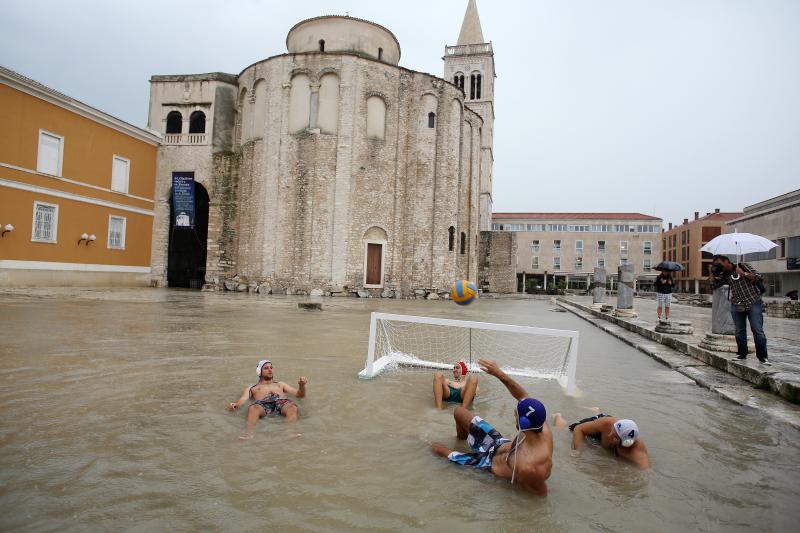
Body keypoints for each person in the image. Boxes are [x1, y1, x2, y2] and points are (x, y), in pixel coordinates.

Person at [430, 359, 553, 496]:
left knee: (437, 448)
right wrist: (499, 374)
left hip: (487, 464)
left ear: (524, 424)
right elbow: (522, 395)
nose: (514, 413)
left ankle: (421, 441)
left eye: (516, 414)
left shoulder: (529, 467)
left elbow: (540, 496)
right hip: (498, 444)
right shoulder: (540, 422)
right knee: (459, 412)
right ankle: (461, 442)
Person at [710, 255, 771, 365]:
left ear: (726, 261)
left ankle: (763, 357)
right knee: (739, 330)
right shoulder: (724, 274)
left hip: (753, 301)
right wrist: (714, 274)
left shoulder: (742, 266)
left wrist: (743, 273)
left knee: (757, 329)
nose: (718, 266)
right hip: (737, 303)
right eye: (716, 265)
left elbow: (758, 277)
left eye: (719, 264)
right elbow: (714, 286)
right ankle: (742, 354)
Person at [228, 359, 308, 439]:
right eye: (266, 368)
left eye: (271, 368)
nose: (270, 370)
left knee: (292, 406)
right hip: (263, 404)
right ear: (259, 372)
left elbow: (299, 395)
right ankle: (249, 434)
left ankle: (292, 432)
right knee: (253, 408)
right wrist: (236, 405)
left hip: (281, 402)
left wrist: (302, 386)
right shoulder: (253, 388)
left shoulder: (280, 384)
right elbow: (244, 398)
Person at [553, 411, 651, 469]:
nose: (609, 435)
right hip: (602, 423)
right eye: (612, 431)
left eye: (614, 437)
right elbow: (578, 429)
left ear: (626, 443)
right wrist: (577, 451)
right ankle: (558, 416)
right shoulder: (608, 425)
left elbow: (647, 472)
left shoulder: (637, 451)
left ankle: (596, 411)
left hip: (603, 427)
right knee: (567, 430)